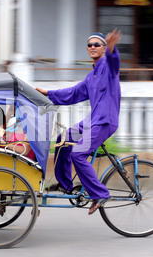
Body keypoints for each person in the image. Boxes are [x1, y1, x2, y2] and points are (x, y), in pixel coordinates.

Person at [36, 29, 122, 215]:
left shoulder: (108, 66)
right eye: (89, 45)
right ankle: (65, 185)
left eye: (97, 44)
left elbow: (114, 61)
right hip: (91, 121)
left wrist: (112, 48)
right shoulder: (91, 77)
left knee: (78, 154)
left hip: (105, 122)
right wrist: (48, 94)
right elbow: (73, 93)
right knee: (62, 139)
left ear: (104, 47)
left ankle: (99, 194)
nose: (92, 47)